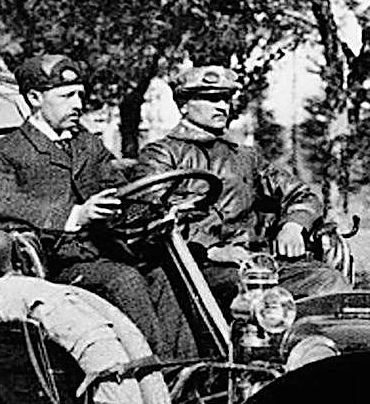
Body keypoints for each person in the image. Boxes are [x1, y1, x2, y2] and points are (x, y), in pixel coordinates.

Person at [0, 54, 195, 359]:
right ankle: (155, 374)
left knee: (164, 275)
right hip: (54, 267)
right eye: (66, 96)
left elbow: (118, 188)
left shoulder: (87, 144)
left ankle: (187, 371)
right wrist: (76, 215)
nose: (78, 104)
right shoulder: (3, 152)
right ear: (35, 98)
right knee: (124, 280)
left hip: (110, 253)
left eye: (80, 94)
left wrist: (157, 210)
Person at [137, 65, 351, 306]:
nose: (222, 106)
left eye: (225, 98)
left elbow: (300, 193)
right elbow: (148, 219)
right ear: (183, 105)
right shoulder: (161, 155)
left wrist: (293, 225)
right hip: (198, 268)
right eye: (210, 99)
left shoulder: (245, 157)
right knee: (257, 294)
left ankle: (314, 344)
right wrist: (210, 250)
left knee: (328, 281)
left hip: (255, 262)